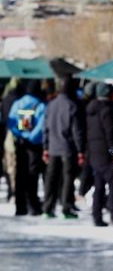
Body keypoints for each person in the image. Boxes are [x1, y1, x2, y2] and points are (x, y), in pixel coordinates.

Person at [43, 77, 85, 219]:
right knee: (68, 179)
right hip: (68, 148)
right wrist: (80, 150)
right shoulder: (72, 105)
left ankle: (47, 208)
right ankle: (66, 208)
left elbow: (46, 128)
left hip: (53, 147)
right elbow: (77, 131)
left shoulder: (51, 105)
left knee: (51, 179)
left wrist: (45, 147)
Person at [85, 82, 113, 227]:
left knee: (99, 185)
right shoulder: (106, 110)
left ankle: (97, 216)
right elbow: (110, 132)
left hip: (94, 152)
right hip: (106, 153)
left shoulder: (90, 109)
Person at [8, 80, 46, 216]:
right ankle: (33, 206)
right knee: (33, 175)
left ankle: (20, 206)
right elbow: (42, 126)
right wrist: (31, 137)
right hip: (34, 146)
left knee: (20, 175)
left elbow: (10, 122)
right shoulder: (40, 105)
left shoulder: (17, 103)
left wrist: (21, 135)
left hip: (20, 144)